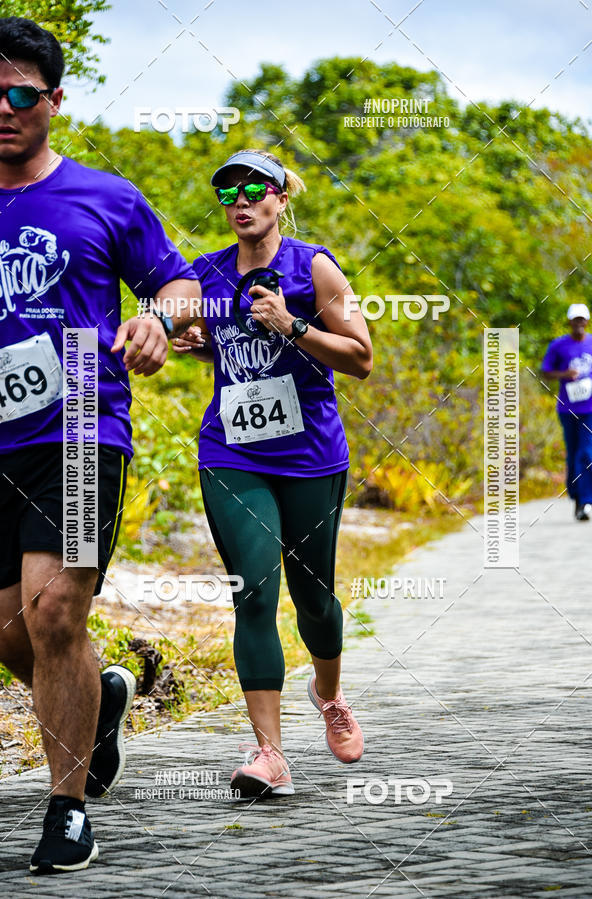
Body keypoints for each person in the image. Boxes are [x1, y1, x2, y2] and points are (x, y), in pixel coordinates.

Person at [0, 17, 201, 872]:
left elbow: (181, 283)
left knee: (54, 611)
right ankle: (102, 695)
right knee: (10, 631)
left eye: (21, 94)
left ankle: (67, 809)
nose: (3, 109)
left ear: (55, 101)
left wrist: (158, 319)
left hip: (81, 414)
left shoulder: (105, 197)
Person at [173, 149, 373, 798]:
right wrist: (199, 344)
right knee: (254, 590)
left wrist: (292, 324)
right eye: (227, 191)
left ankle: (330, 695)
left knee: (314, 596)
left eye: (255, 188)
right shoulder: (205, 273)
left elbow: (361, 356)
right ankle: (270, 753)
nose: (241, 201)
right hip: (232, 452)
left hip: (310, 455)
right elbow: (222, 347)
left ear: (281, 198)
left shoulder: (314, 266)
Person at [541, 303, 592, 520]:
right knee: (573, 455)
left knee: (586, 453)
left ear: (587, 321)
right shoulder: (558, 345)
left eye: (582, 319)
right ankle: (576, 496)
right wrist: (564, 374)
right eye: (575, 319)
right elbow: (545, 372)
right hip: (568, 409)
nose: (579, 323)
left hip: (590, 409)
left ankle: (585, 500)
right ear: (570, 322)